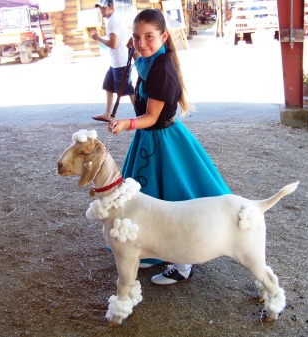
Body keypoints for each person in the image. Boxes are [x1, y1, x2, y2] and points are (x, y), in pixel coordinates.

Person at [109, 9, 231, 285]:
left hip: (163, 141)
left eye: (149, 37)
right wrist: (136, 52)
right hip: (151, 139)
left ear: (164, 35)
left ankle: (183, 264)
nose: (142, 43)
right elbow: (142, 89)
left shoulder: (162, 68)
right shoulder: (151, 60)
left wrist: (125, 124)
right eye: (137, 37)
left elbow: (150, 117)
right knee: (152, 200)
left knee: (174, 201)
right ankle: (150, 249)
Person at [91, 0, 134, 122]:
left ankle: (142, 114)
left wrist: (98, 38)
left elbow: (113, 43)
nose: (101, 10)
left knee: (129, 89)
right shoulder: (113, 19)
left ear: (111, 7)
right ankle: (107, 113)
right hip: (117, 61)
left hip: (120, 61)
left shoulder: (113, 21)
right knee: (109, 85)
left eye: (103, 8)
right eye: (100, 8)